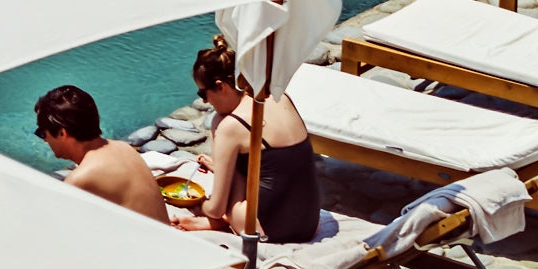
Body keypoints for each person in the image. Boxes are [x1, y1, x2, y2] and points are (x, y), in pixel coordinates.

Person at [193, 38, 326, 242]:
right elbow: (279, 166)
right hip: (309, 224)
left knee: (219, 125)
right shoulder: (279, 97)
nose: (205, 101)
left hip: (268, 229)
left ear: (221, 86)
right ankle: (224, 173)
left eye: (203, 93)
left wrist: (198, 204)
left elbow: (216, 208)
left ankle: (224, 222)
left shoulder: (230, 126)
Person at [32, 84, 169, 219]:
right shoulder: (124, 148)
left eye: (42, 133)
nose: (44, 140)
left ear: (62, 133)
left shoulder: (80, 179)